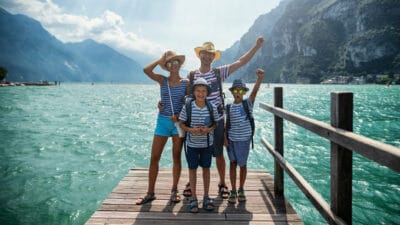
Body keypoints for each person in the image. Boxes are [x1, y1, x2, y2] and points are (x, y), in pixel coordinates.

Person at [183, 36, 264, 199]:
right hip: (196, 121)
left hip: (218, 120)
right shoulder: (191, 76)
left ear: (213, 57)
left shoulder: (219, 72)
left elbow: (241, 61)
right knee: (193, 151)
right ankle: (191, 183)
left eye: (210, 54)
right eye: (204, 53)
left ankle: (222, 183)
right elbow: (181, 93)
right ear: (200, 55)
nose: (207, 56)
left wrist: (256, 46)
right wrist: (162, 103)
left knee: (219, 153)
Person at [136, 50, 188, 205]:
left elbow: (189, 103)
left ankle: (174, 191)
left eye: (176, 62)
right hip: (162, 123)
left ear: (179, 65)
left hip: (178, 125)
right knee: (154, 158)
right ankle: (150, 193)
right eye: (170, 63)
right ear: (167, 66)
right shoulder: (162, 80)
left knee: (176, 157)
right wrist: (160, 59)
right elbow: (146, 70)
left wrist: (179, 115)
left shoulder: (186, 83)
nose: (173, 65)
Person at [179, 78, 219, 213]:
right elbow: (181, 123)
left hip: (207, 144)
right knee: (192, 170)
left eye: (203, 91)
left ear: (207, 93)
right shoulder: (188, 106)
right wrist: (190, 130)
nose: (201, 94)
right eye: (198, 91)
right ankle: (194, 198)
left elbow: (216, 123)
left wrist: (209, 129)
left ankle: (206, 196)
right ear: (194, 92)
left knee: (206, 169)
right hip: (192, 145)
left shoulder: (211, 107)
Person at [224, 69, 264, 204]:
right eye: (236, 90)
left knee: (243, 165)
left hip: (244, 140)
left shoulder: (247, 103)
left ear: (244, 93)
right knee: (232, 163)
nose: (238, 93)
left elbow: (255, 91)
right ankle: (233, 190)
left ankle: (241, 188)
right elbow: (226, 123)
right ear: (232, 92)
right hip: (231, 140)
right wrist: (224, 138)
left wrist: (259, 78)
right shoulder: (228, 106)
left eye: (241, 91)